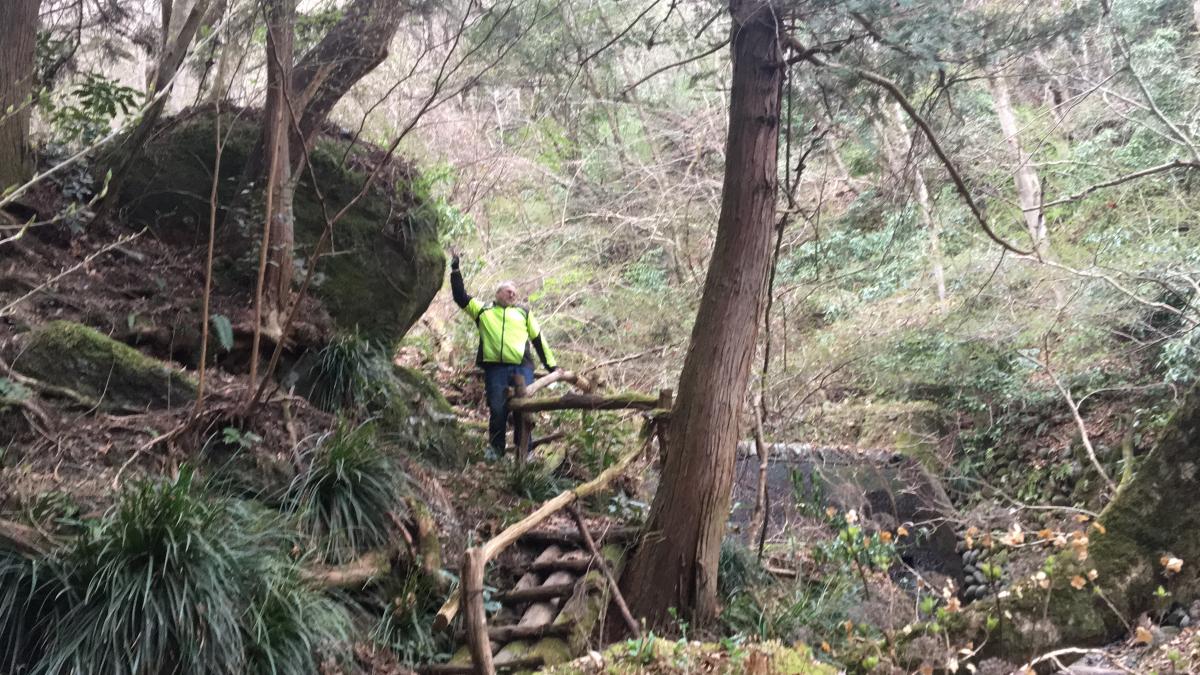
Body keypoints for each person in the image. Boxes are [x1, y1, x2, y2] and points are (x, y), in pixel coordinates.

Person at [449, 252, 557, 459]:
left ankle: (525, 451)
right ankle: (496, 449)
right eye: (509, 291)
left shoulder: (523, 313)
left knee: (523, 409)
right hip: (495, 368)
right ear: (498, 293)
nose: (513, 295)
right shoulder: (483, 311)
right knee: (498, 408)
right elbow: (460, 297)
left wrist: (552, 366)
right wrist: (455, 270)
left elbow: (538, 340)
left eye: (515, 293)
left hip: (522, 366)